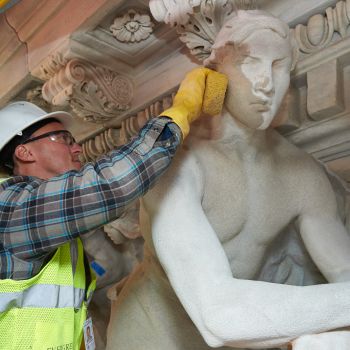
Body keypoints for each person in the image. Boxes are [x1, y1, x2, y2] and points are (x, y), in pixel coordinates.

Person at [106, 9, 350, 350]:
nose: (265, 81)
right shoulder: (178, 162)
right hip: (156, 334)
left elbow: (344, 272)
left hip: (241, 333)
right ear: (216, 73)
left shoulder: (301, 173)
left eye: (278, 66)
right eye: (249, 63)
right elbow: (218, 313)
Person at [0, 67, 227, 350]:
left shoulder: (46, 218)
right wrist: (180, 113)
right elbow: (113, 185)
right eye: (64, 139)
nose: (77, 148)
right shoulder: (9, 209)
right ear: (24, 152)